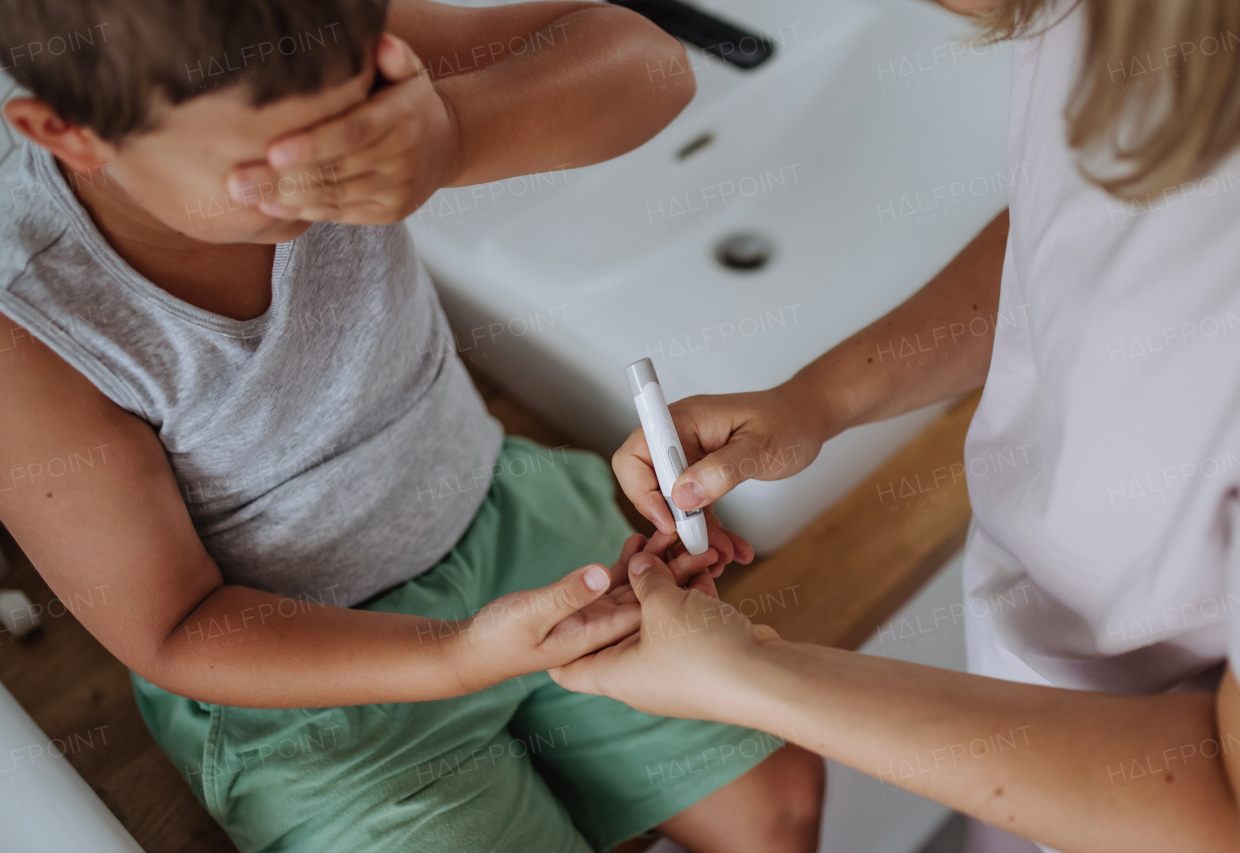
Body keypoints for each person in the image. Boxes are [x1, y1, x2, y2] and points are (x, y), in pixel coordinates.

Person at [0, 2, 824, 851]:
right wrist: (455, 656)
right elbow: (173, 628)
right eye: (268, 165)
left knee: (778, 803)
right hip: (297, 669)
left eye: (357, 111)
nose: (336, 170)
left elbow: (652, 62)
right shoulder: (30, 325)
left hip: (498, 507)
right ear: (68, 131)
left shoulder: (310, 33)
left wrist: (456, 134)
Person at [558, 0, 1240, 851]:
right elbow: (1071, 229)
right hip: (1029, 730)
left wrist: (748, 676)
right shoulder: (1123, 26)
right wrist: (816, 400)